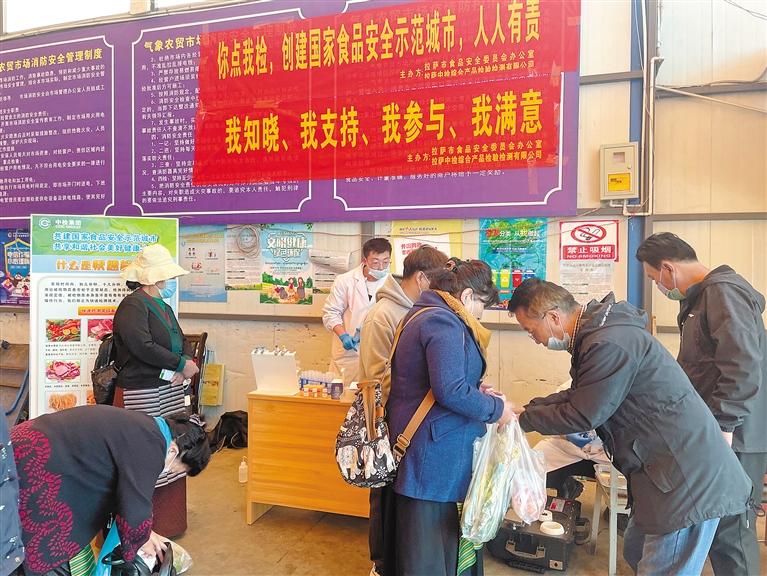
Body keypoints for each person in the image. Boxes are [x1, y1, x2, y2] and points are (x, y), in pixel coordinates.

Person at [507, 279, 752, 575]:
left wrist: (523, 420)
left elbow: (584, 414)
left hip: (684, 479)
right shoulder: (599, 336)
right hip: (661, 470)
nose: (534, 339)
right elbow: (581, 394)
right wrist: (527, 409)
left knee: (663, 568)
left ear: (553, 317)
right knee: (636, 550)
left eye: (531, 330)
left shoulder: (608, 343)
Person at [636, 232, 767, 575]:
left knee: (732, 532)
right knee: (718, 527)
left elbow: (742, 366)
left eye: (653, 278)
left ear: (667, 269)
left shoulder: (723, 293)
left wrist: (724, 425)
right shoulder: (700, 300)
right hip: (716, 432)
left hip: (736, 435)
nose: (658, 287)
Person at [384, 259, 514, 576]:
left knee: (429, 546)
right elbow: (450, 390)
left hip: (427, 449)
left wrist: (477, 389)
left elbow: (437, 379)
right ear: (467, 296)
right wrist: (497, 410)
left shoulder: (422, 313)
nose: (480, 316)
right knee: (430, 551)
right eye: (481, 306)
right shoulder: (443, 322)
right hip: (433, 457)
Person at [10, 405, 210, 576]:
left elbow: (127, 495)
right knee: (48, 547)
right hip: (32, 461)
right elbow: (135, 506)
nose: (166, 471)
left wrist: (144, 531)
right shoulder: (153, 445)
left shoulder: (146, 428)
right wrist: (141, 540)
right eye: (173, 469)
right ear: (174, 451)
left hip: (23, 446)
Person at [357, 245, 448, 576]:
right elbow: (373, 379)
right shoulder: (383, 315)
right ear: (422, 278)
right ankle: (380, 565)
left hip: (410, 425)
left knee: (402, 503)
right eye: (439, 283)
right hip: (388, 425)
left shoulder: (419, 311)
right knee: (384, 499)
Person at [112, 243, 199, 537]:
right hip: (142, 390)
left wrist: (184, 363)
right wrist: (180, 364)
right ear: (155, 278)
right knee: (147, 452)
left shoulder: (164, 306)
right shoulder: (133, 305)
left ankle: (169, 523)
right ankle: (142, 526)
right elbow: (142, 346)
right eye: (168, 277)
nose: (171, 282)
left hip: (168, 387)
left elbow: (181, 339)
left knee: (172, 448)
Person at [322, 237, 392, 383]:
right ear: (364, 260)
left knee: (375, 393)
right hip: (349, 353)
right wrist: (343, 335)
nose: (381, 267)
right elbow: (331, 312)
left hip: (379, 350)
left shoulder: (392, 283)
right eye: (375, 262)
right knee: (343, 392)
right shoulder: (345, 281)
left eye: (386, 262)